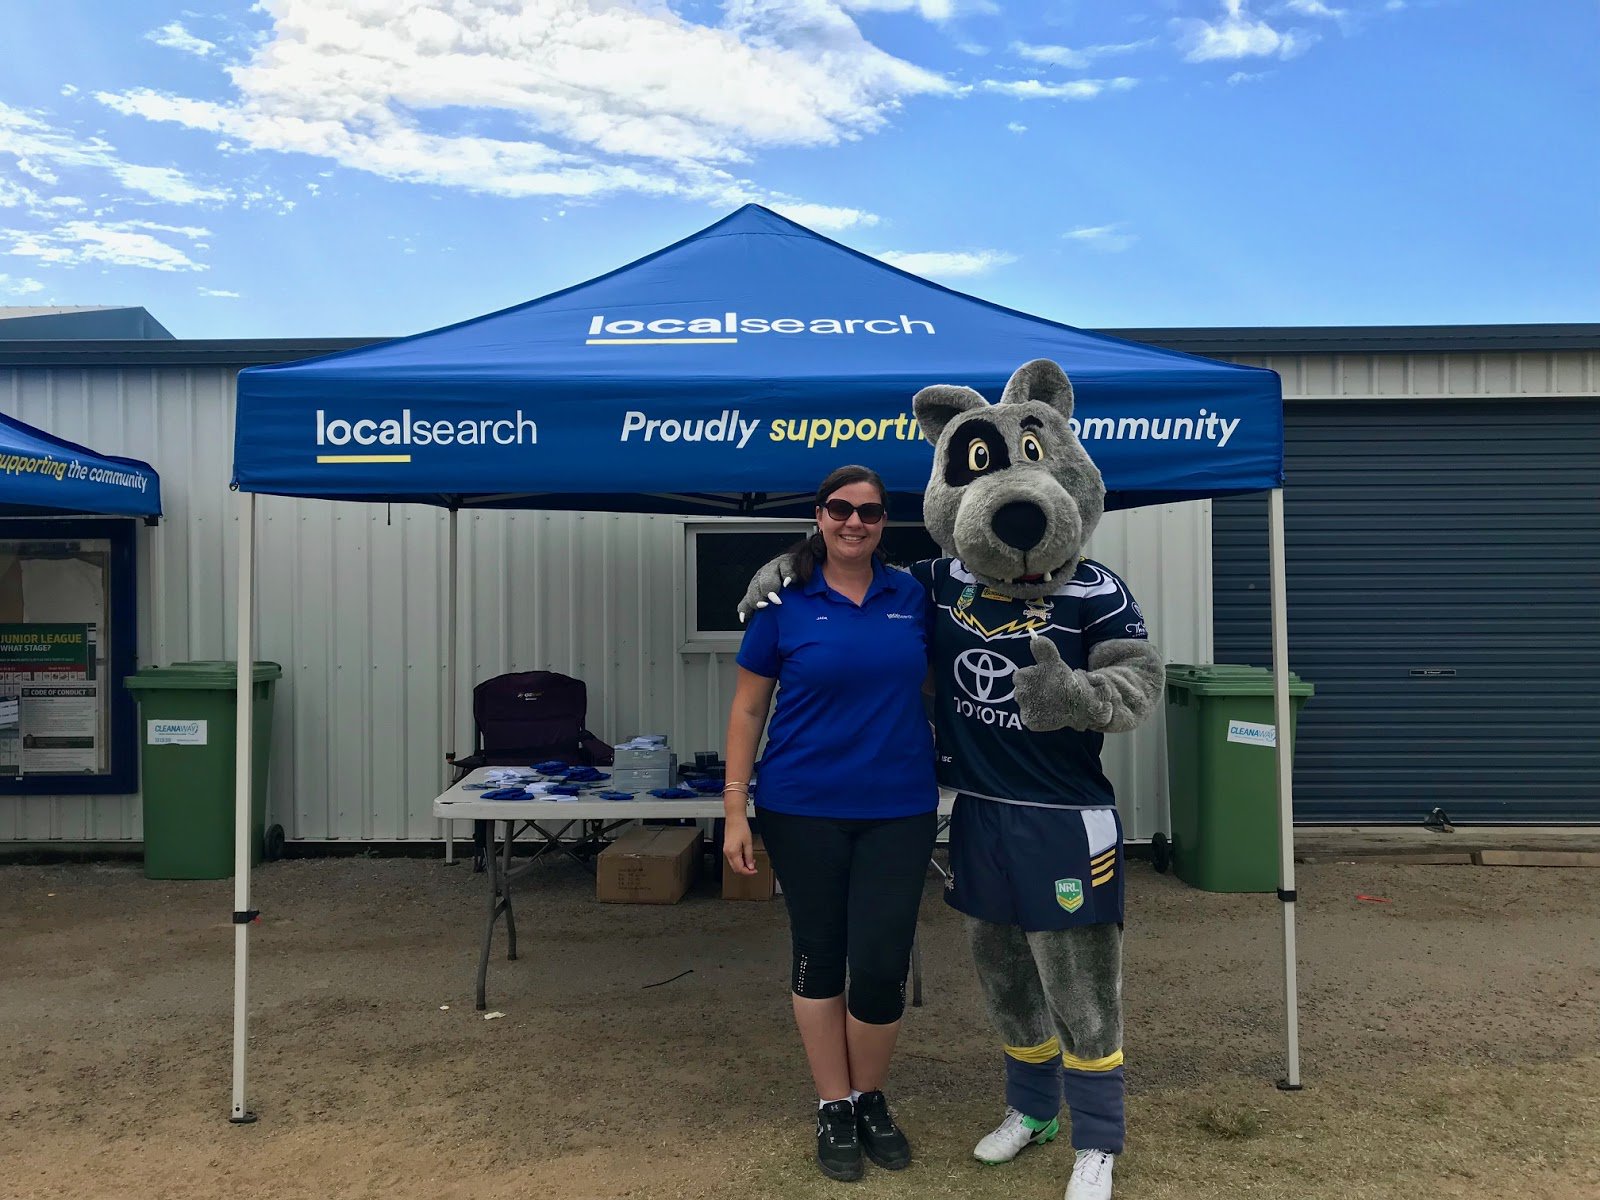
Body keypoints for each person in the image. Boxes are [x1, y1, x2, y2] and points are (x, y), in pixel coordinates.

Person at [722, 464, 939, 1183]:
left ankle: (871, 1097)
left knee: (880, 962)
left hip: (899, 809)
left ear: (885, 522)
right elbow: (749, 709)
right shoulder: (784, 600)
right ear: (818, 515)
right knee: (819, 954)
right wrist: (733, 809)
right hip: (801, 806)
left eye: (870, 513)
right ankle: (833, 1103)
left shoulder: (914, 595)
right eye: (840, 509)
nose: (854, 523)